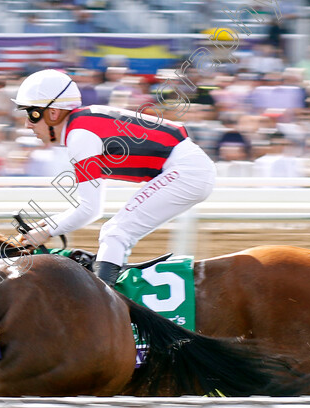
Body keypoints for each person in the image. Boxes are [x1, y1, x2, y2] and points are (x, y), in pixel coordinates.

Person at [11, 69, 216, 286]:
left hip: (186, 171)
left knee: (115, 233)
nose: (27, 124)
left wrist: (47, 231)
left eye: (32, 114)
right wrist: (47, 225)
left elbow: (90, 209)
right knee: (115, 232)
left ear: (53, 113)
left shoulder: (80, 136)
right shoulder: (81, 126)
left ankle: (105, 308)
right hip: (186, 167)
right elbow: (88, 207)